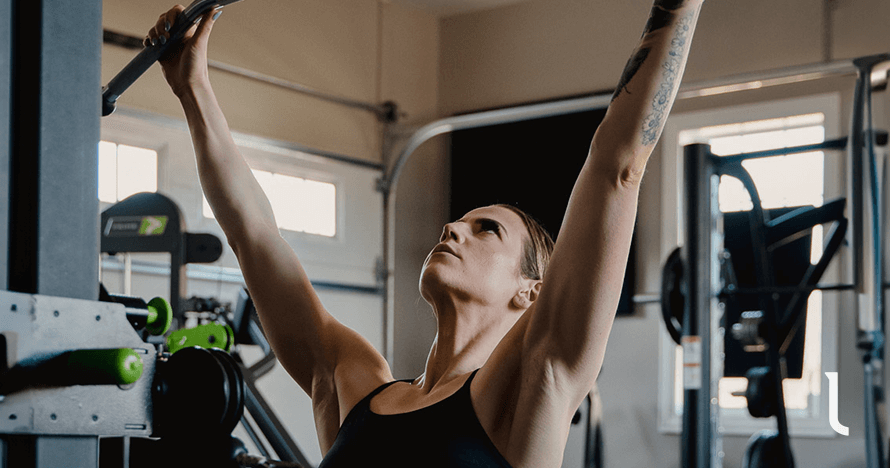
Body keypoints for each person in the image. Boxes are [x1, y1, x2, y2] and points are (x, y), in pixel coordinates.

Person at [145, 1, 704, 466]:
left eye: (486, 229)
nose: (453, 227)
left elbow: (617, 167)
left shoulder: (532, 388)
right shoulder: (357, 386)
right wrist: (192, 87)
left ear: (531, 290)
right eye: (460, 219)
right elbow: (252, 232)